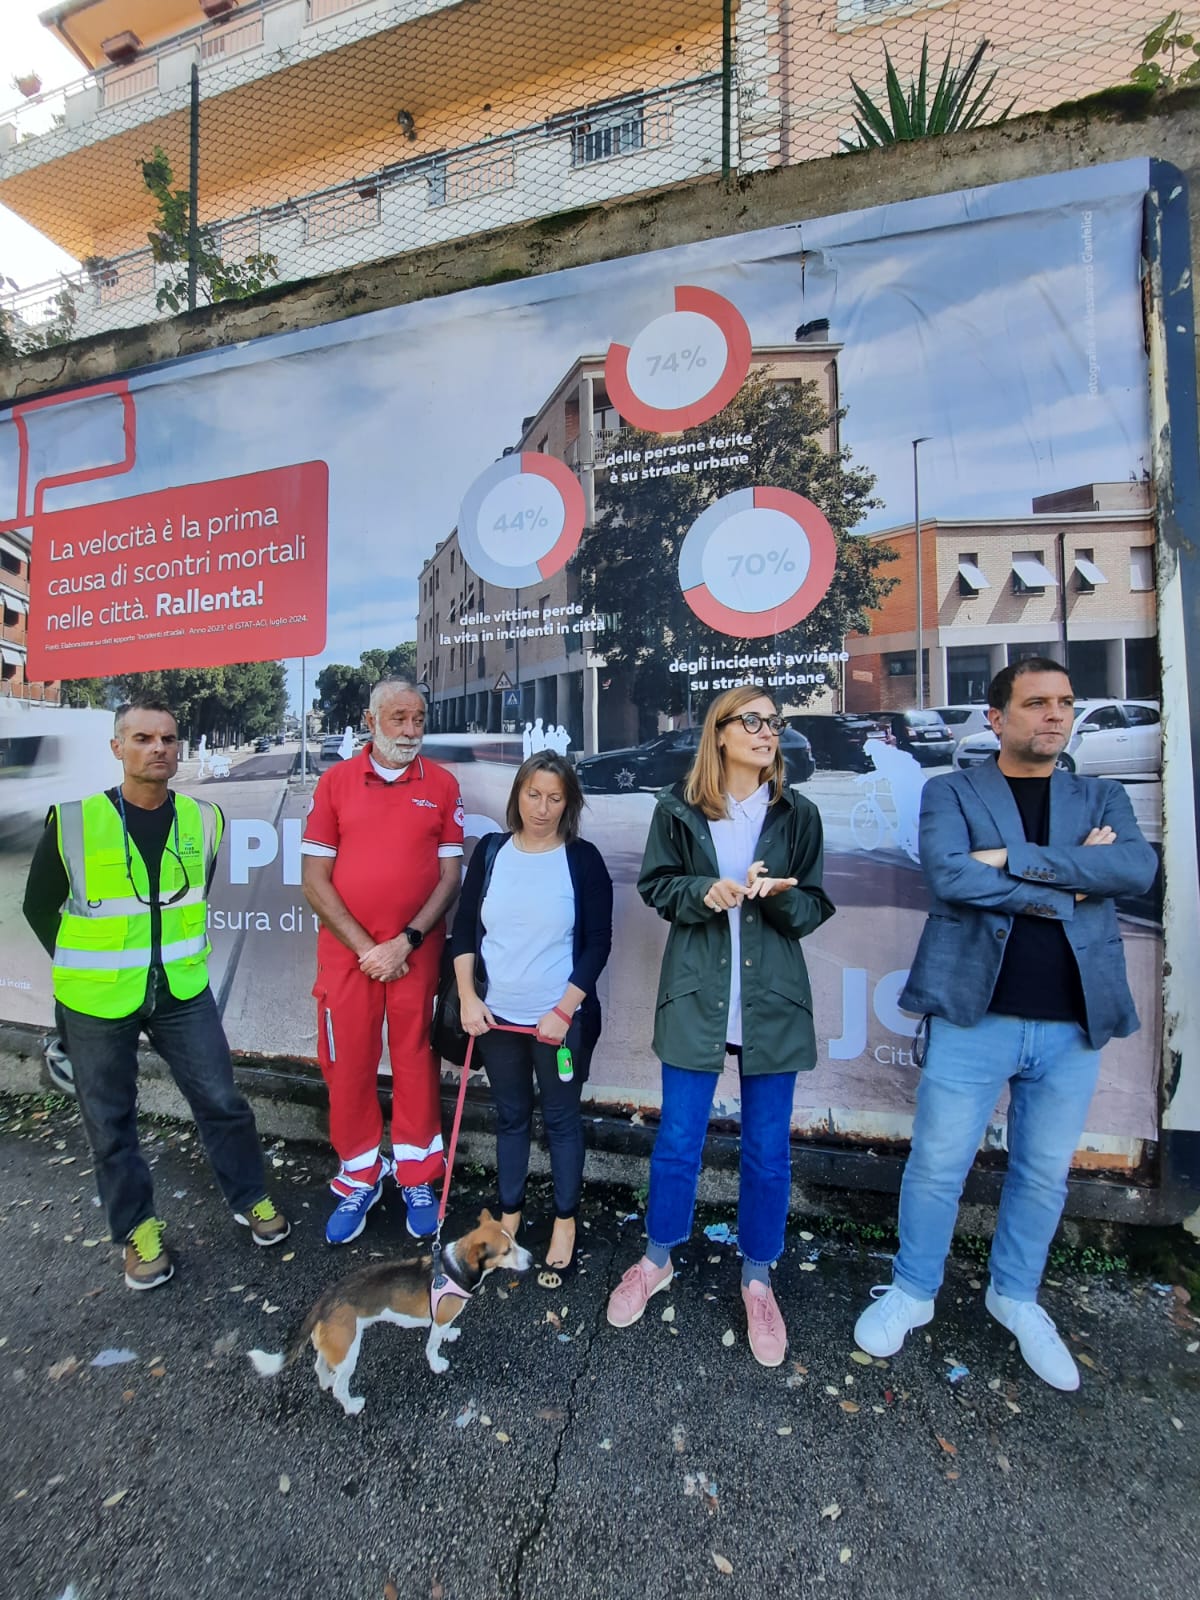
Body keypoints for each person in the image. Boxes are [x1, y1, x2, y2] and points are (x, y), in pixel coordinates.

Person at [853, 659, 1158, 1389]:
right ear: (996, 718)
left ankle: (1014, 1297)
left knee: (1043, 1174)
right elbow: (952, 876)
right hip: (974, 1014)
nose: (1054, 715)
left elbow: (1136, 873)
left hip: (1072, 1023)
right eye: (1036, 703)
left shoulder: (1102, 793)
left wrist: (1014, 862)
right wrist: (1073, 880)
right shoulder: (951, 790)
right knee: (935, 1167)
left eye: (1064, 702)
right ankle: (913, 1291)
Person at [22, 698, 289, 1292]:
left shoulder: (205, 819)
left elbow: (193, 899)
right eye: (142, 738)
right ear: (117, 748)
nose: (158, 748)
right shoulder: (72, 821)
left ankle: (251, 1199)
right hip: (96, 1000)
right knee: (110, 1123)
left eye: (168, 738)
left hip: (181, 990)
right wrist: (81, 968)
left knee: (222, 1099)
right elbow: (38, 907)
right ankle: (139, 1231)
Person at [606, 685, 834, 1365]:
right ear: (722, 733)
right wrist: (703, 892)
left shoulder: (799, 813)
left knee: (768, 1153)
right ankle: (656, 1259)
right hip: (699, 996)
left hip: (772, 1005)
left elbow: (815, 904)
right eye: (754, 721)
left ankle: (758, 1277)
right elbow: (656, 886)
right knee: (678, 1140)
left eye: (776, 723)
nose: (769, 733)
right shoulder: (677, 809)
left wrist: (780, 896)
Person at [301, 678, 463, 1245]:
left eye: (418, 718)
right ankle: (359, 1175)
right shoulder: (335, 783)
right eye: (398, 718)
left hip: (415, 955)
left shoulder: (442, 785)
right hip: (348, 958)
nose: (411, 730)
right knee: (348, 1065)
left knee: (416, 1059)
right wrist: (368, 948)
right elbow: (314, 880)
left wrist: (407, 942)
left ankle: (418, 1173)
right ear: (370, 721)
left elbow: (450, 876)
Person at [450, 753, 613, 1280]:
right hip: (497, 1020)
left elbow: (597, 943)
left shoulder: (582, 859)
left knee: (563, 1120)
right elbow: (463, 932)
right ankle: (511, 1216)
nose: (542, 808)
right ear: (517, 795)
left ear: (569, 803)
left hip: (559, 1024)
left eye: (555, 797)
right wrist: (470, 1000)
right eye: (533, 795)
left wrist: (564, 1009)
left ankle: (565, 1220)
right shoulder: (492, 853)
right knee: (511, 1118)